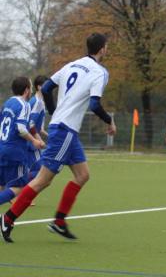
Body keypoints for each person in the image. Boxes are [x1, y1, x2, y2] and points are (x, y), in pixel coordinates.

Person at [0, 33, 116, 243]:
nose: (107, 50)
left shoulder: (72, 64)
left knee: (82, 175)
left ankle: (59, 221)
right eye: (106, 47)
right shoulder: (100, 72)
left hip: (65, 130)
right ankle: (8, 218)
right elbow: (95, 104)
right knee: (43, 180)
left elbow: (46, 88)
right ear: (102, 49)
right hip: (65, 131)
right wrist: (110, 121)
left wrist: (54, 111)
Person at [0, 77, 45, 207]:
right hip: (15, 151)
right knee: (20, 186)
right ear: (26, 90)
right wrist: (34, 141)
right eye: (30, 87)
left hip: (2, 147)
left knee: (2, 184)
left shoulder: (7, 103)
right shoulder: (24, 105)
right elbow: (20, 128)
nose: (31, 90)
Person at [27, 75, 49, 180]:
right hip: (31, 143)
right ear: (39, 87)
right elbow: (31, 125)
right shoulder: (37, 102)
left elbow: (40, 129)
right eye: (47, 85)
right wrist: (40, 141)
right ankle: (17, 184)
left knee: (39, 173)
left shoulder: (41, 102)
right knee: (40, 173)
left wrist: (52, 137)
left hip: (32, 142)